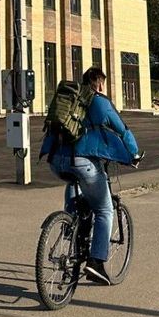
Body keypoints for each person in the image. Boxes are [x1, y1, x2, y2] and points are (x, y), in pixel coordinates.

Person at [40, 67, 141, 286]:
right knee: (104, 209)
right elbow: (122, 130)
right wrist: (134, 154)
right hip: (83, 162)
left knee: (74, 181)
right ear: (99, 83)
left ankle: (70, 223)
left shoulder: (70, 99)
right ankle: (96, 263)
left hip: (56, 161)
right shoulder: (100, 102)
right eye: (104, 83)